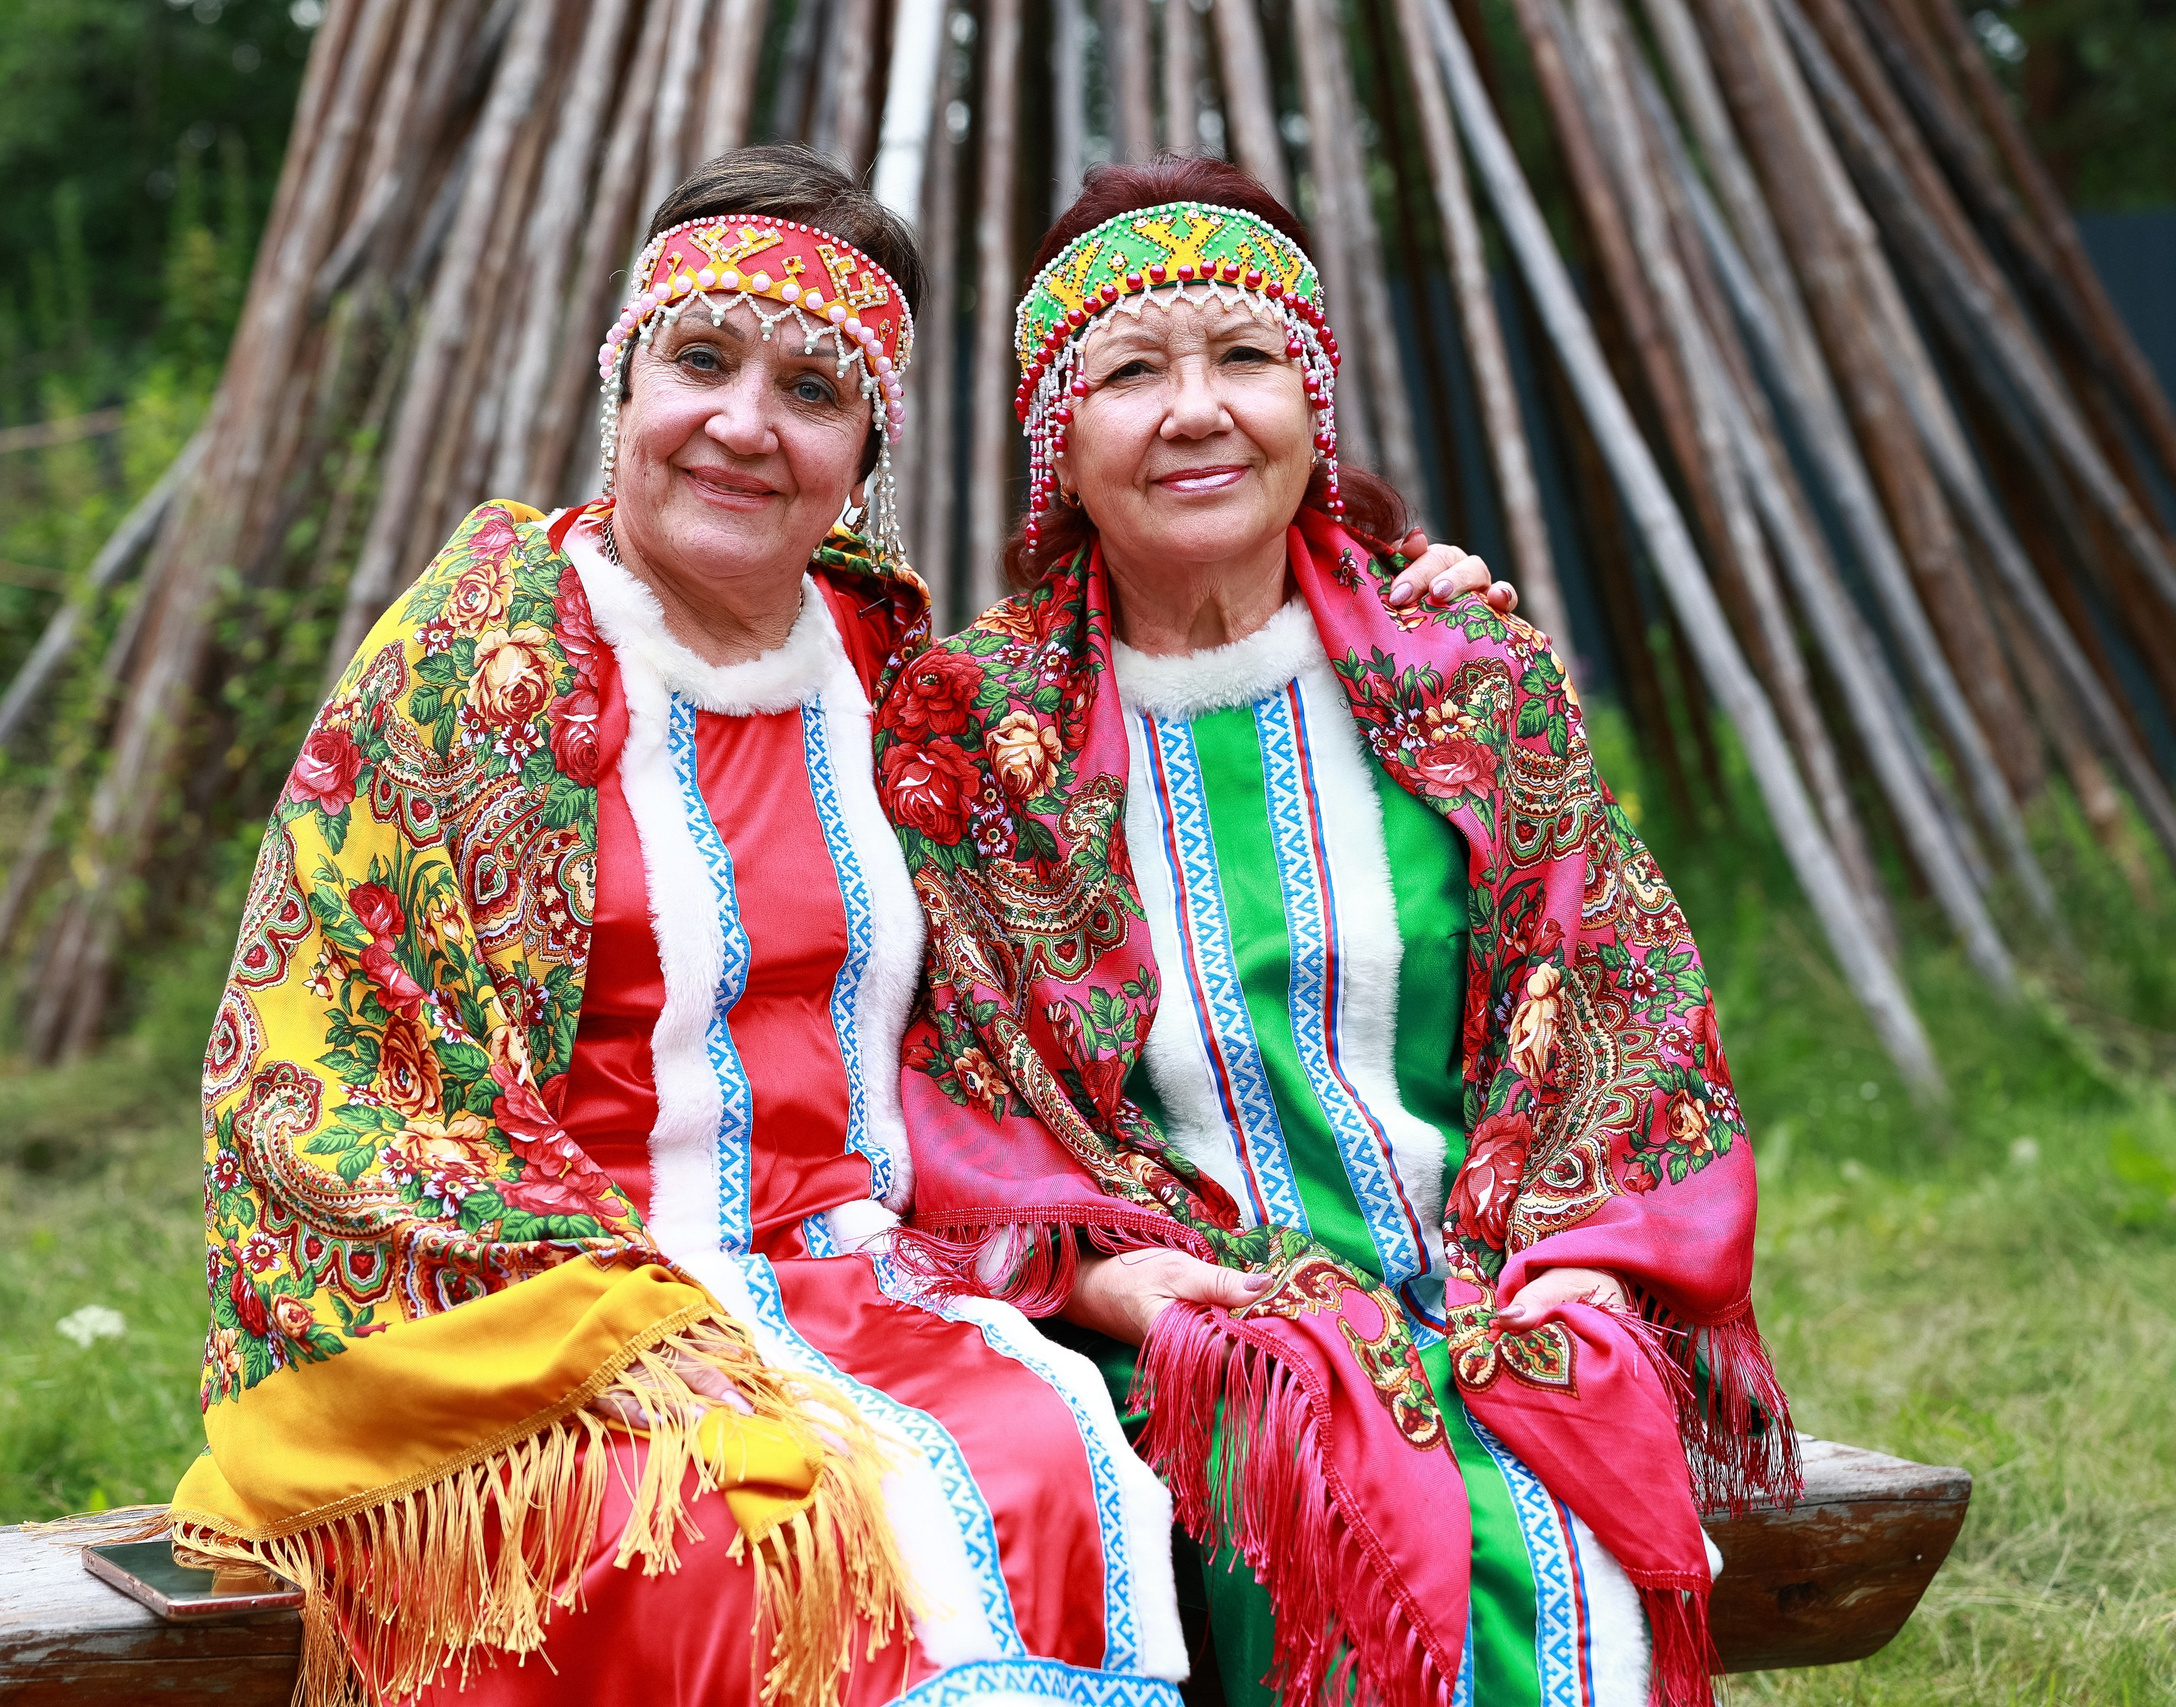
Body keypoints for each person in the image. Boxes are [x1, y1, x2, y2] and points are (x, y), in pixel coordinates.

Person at [168, 144, 1496, 1707]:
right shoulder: (483, 654)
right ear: (625, 385)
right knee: (749, 1528)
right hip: (551, 1307)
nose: (743, 424)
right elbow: (316, 1062)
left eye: (813, 389)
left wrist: (1381, 594)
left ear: (865, 446)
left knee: (1060, 1462)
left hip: (870, 1281)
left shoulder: (893, 666)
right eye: (703, 361)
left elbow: (1126, 768)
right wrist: (624, 1325)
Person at [878, 157, 1795, 1707]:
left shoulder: (1466, 676)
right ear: (1057, 439)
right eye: (1129, 372)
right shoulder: (978, 730)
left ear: (1311, 402)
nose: (1195, 411)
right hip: (1185, 1315)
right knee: (1325, 1490)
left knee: (1539, 1512)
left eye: (1244, 356)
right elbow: (952, 1080)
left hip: (1501, 1277)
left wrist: (1584, 1266)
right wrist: (1105, 1280)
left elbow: (1622, 1001)